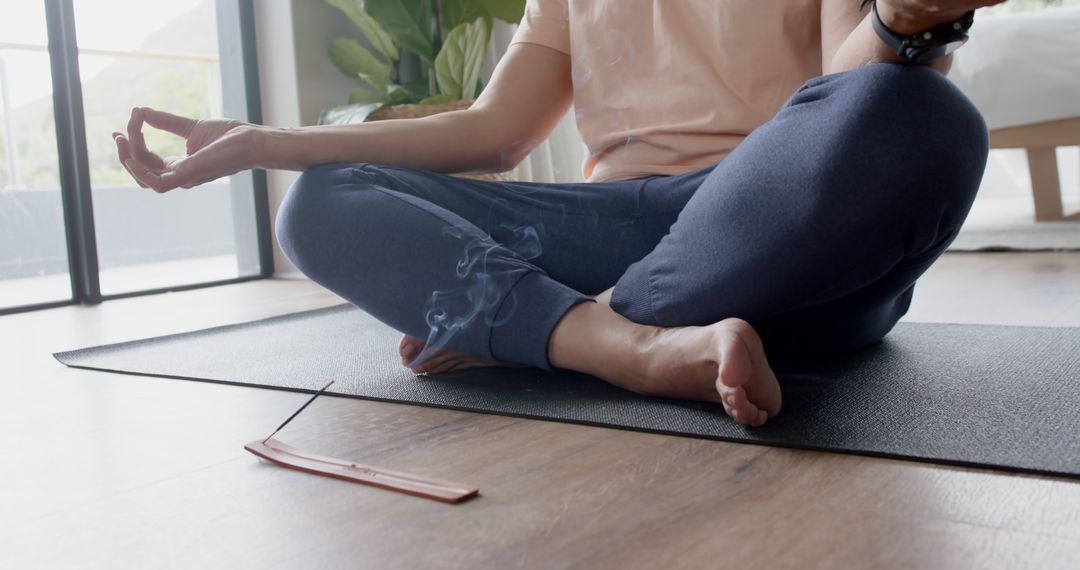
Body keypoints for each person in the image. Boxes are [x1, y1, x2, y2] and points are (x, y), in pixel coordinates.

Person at [113, 0, 998, 427]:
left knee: (922, 118)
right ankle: (632, 345)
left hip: (761, 221)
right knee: (323, 195)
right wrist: (270, 141)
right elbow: (494, 135)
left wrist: (900, 22)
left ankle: (559, 327)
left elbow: (845, 103)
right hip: (604, 222)